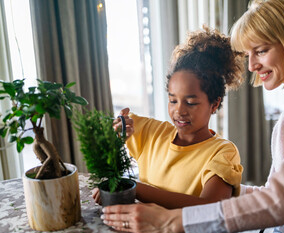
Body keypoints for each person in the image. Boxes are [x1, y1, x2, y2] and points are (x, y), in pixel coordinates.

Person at [99, 0, 284, 233]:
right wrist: (223, 188)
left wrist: (172, 221)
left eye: (261, 51)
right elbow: (272, 195)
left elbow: (279, 204)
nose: (252, 66)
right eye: (249, 55)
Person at [93, 26, 244, 209]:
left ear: (214, 104)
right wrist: (117, 128)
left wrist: (136, 189)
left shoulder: (222, 153)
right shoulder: (152, 132)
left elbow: (209, 210)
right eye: (173, 101)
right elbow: (109, 137)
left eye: (190, 102)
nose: (179, 111)